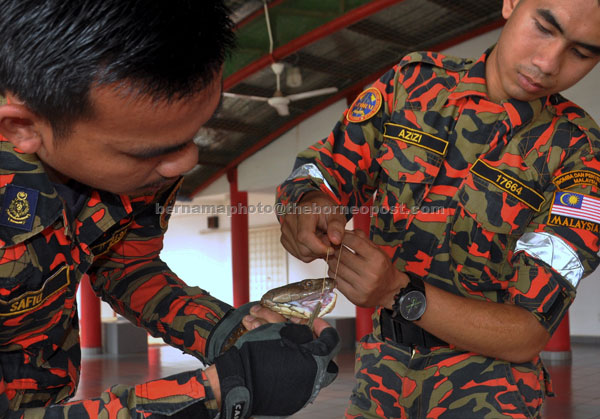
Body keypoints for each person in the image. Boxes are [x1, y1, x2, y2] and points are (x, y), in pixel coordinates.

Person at [0, 1, 340, 418]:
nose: (186, 162)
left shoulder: (131, 165)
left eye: (196, 130)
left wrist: (229, 331)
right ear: (22, 128)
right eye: (151, 150)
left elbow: (126, 267)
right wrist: (215, 392)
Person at [276, 0, 600, 417]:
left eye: (582, 52)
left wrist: (397, 291)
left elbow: (528, 331)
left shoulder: (580, 157)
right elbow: (325, 166)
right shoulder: (412, 86)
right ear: (510, 4)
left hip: (490, 391)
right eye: (543, 27)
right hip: (379, 375)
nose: (547, 63)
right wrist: (308, 201)